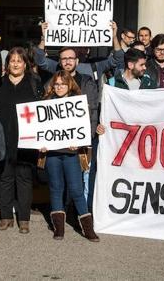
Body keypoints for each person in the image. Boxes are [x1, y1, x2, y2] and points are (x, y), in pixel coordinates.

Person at [39, 71, 99, 242]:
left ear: (69, 85)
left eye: (62, 84)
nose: (59, 87)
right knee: (56, 189)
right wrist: (40, 143)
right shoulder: (46, 103)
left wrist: (79, 142)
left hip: (72, 154)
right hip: (52, 154)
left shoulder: (78, 103)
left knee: (77, 190)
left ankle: (88, 229)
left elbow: (85, 128)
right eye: (56, 84)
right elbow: (39, 129)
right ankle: (59, 229)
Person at [0, 47, 43, 234]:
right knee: (5, 178)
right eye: (12, 60)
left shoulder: (33, 83)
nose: (15, 63)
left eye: (19, 61)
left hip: (26, 140)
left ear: (25, 64)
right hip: (3, 138)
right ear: (7, 64)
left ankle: (24, 218)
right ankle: (6, 217)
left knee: (24, 179)